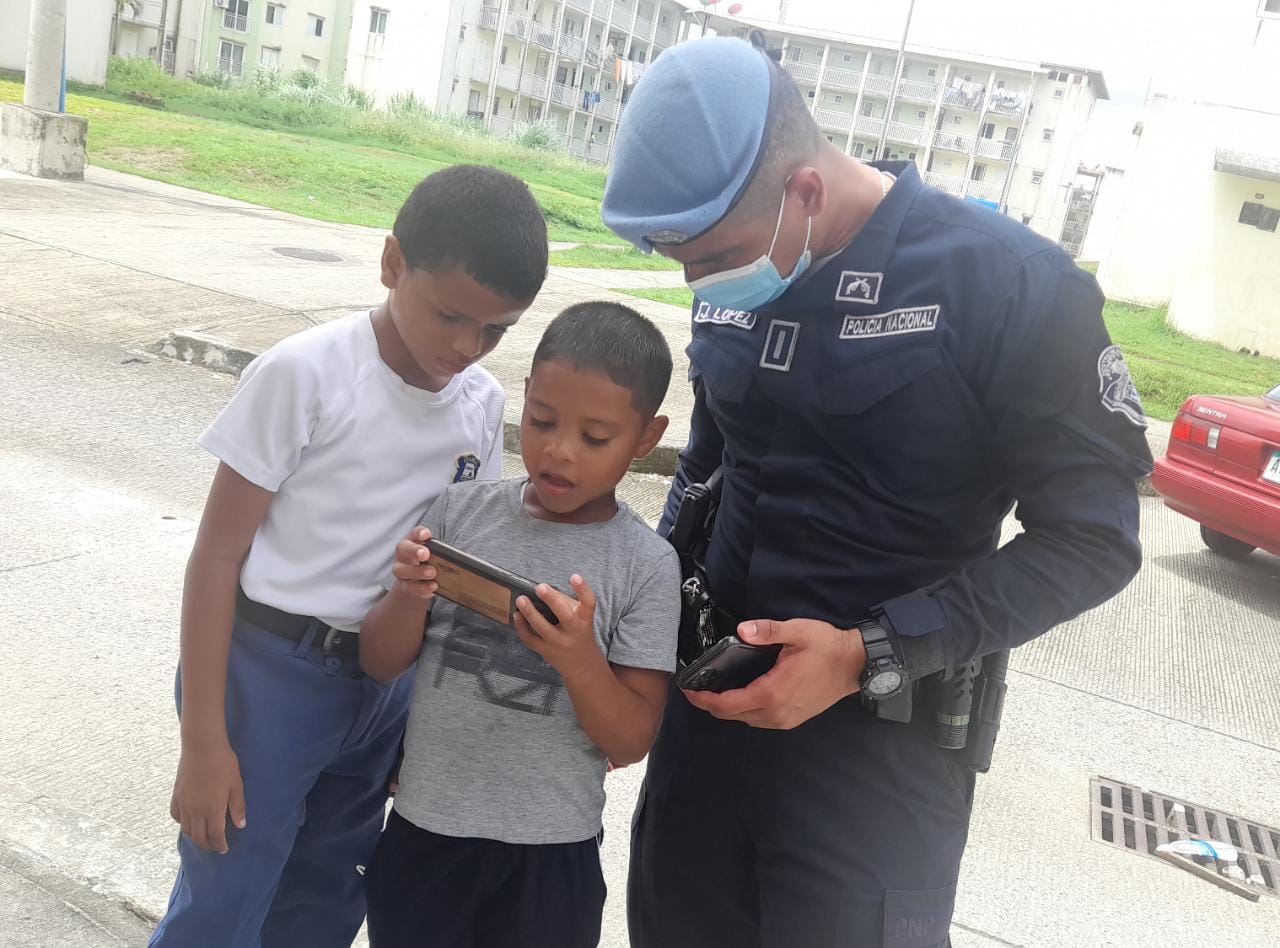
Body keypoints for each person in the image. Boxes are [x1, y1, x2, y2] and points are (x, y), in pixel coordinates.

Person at [600, 37, 1154, 948]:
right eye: (682, 262)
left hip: (874, 759)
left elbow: (1095, 540)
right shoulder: (738, 261)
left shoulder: (1009, 285)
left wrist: (867, 653)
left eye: (715, 256)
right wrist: (639, 608)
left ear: (805, 193)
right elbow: (709, 468)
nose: (699, 282)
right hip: (708, 725)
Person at [149, 164, 549, 948]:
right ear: (392, 262)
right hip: (267, 678)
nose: (468, 347)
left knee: (327, 897)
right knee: (224, 903)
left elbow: (450, 574)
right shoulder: (304, 375)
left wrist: (418, 721)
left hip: (381, 688)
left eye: (495, 331)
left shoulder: (480, 406)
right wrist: (203, 741)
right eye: (450, 316)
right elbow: (215, 558)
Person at [358, 302, 680, 948]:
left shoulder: (646, 564)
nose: (559, 450)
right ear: (526, 396)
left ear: (646, 439)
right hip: (426, 832)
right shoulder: (460, 511)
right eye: (542, 420)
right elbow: (379, 661)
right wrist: (408, 595)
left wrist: (580, 661)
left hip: (551, 852)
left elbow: (632, 737)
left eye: (595, 438)